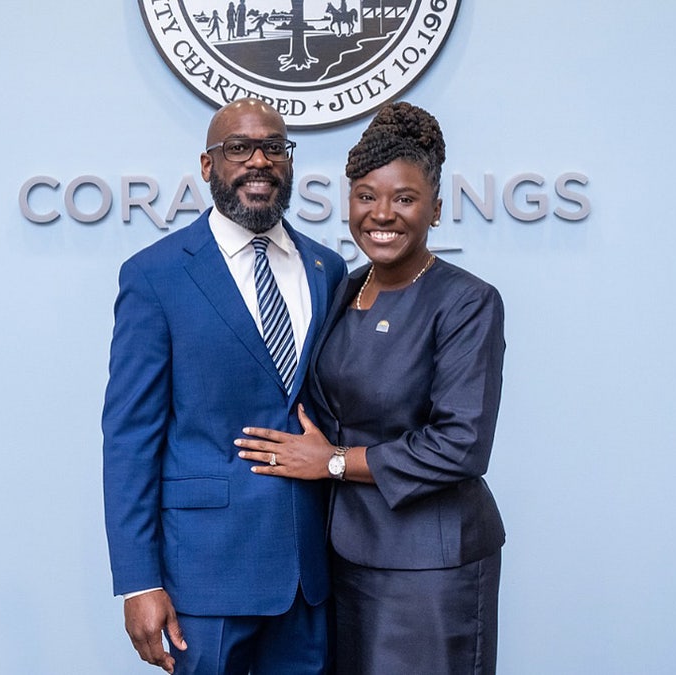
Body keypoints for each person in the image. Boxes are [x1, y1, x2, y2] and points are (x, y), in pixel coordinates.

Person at [235, 102, 507, 674]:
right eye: (365, 196)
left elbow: (461, 443)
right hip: (343, 558)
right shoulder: (342, 286)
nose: (382, 214)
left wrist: (331, 462)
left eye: (404, 199)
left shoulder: (466, 301)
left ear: (435, 208)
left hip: (429, 567)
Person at [102, 98, 347, 674]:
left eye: (273, 148)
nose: (258, 161)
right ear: (208, 165)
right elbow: (129, 437)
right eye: (239, 148)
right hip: (204, 580)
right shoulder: (155, 275)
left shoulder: (327, 268)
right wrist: (139, 582)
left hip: (308, 575)